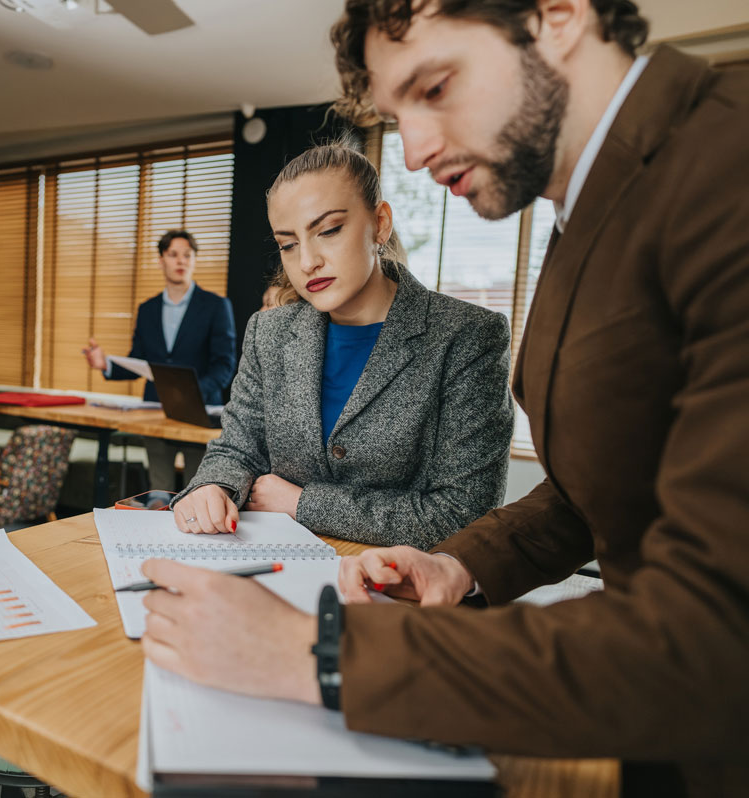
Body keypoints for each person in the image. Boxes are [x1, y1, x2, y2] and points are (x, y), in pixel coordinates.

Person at [140, 1, 749, 796]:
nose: (418, 150)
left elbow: (718, 629)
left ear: (558, 15)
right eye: (399, 114)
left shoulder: (725, 165)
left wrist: (317, 656)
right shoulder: (586, 213)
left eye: (435, 87)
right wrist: (459, 567)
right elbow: (591, 497)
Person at [170, 142, 514, 545]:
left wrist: (303, 504)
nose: (307, 262)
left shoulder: (467, 335)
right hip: (270, 573)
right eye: (288, 244)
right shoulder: (269, 333)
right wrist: (213, 486)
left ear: (380, 223)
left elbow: (464, 514)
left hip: (399, 591)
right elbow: (237, 449)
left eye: (329, 230)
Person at [83, 229, 236, 490]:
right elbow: (139, 362)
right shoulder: (147, 309)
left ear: (194, 260)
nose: (181, 261)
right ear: (161, 260)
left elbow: (225, 365)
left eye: (187, 255)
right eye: (173, 254)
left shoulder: (216, 306)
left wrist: (191, 393)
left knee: (196, 493)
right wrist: (106, 364)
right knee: (158, 494)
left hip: (199, 416)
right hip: (154, 413)